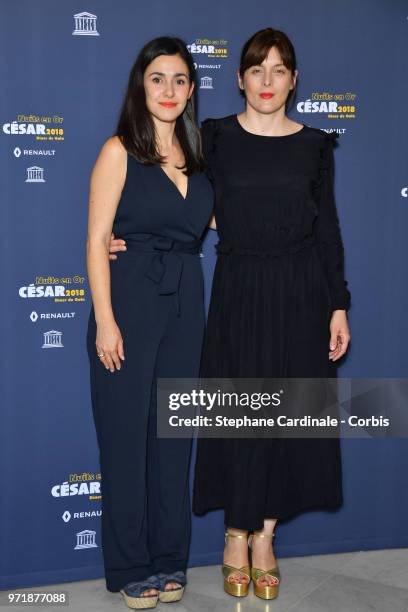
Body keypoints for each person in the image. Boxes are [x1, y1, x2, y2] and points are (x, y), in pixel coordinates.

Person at [108, 27, 351, 602]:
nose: (267, 82)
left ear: (294, 80)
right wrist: (125, 237)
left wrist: (337, 303)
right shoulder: (212, 138)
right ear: (239, 79)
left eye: (279, 70)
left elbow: (328, 230)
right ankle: (234, 535)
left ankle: (265, 538)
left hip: (300, 294)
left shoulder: (316, 145)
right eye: (256, 70)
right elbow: (170, 194)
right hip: (239, 288)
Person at [86, 36, 213, 609]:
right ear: (142, 85)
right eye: (157, 78)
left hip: (187, 300)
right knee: (125, 440)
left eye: (180, 79)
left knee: (172, 439)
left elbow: (223, 226)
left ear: (191, 90)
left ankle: (169, 560)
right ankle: (132, 564)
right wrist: (106, 322)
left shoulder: (202, 158)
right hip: (131, 301)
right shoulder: (120, 151)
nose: (168, 90)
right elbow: (95, 242)